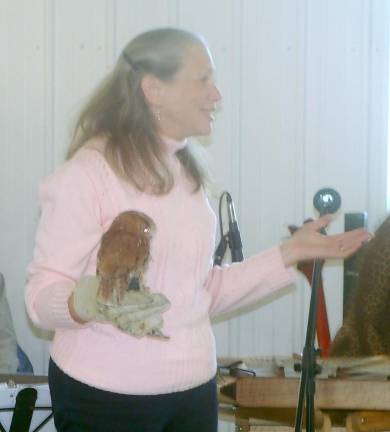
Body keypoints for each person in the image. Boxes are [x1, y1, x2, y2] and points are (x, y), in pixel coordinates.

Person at [25, 28, 370, 432]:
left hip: (193, 394)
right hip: (104, 400)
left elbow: (199, 293)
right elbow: (40, 294)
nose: (216, 95)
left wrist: (288, 254)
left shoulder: (185, 173)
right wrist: (88, 303)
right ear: (153, 89)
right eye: (202, 80)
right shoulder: (87, 174)